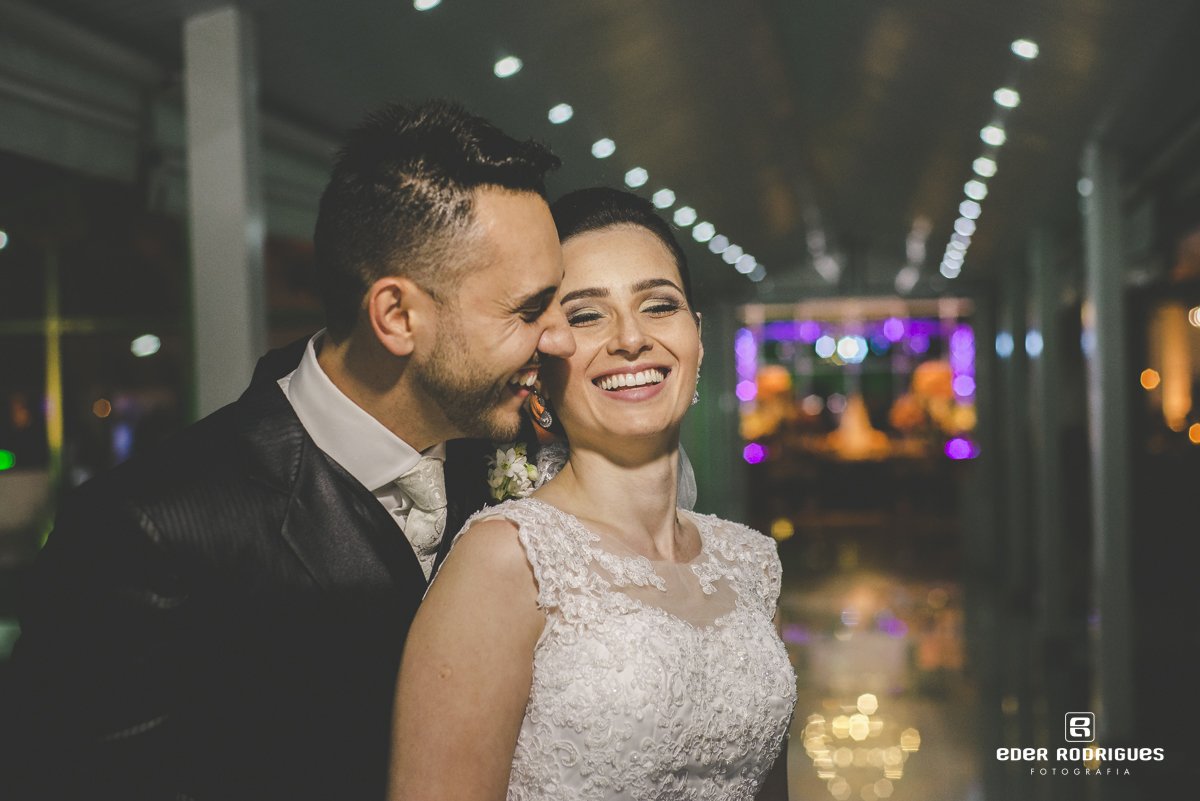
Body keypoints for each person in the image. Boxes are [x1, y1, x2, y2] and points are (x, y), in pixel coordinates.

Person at [0, 100, 574, 800]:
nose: (559, 338)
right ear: (396, 315)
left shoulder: (513, 478)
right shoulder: (148, 532)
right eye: (528, 310)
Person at [389, 187, 797, 801]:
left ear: (698, 337)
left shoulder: (749, 563)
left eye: (659, 305)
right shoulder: (510, 560)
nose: (630, 339)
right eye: (585, 315)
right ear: (541, 363)